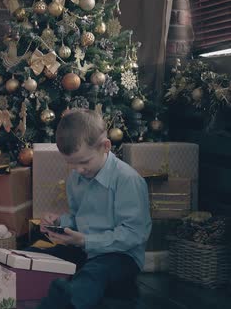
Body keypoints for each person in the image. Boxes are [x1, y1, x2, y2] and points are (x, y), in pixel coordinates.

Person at [34, 109, 152, 309]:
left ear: (105, 147)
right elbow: (78, 218)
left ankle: (68, 302)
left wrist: (86, 241)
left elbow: (134, 234)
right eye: (71, 164)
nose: (78, 170)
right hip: (86, 248)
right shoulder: (75, 179)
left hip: (121, 256)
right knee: (41, 255)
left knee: (95, 273)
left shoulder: (127, 180)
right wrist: (60, 223)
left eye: (84, 162)